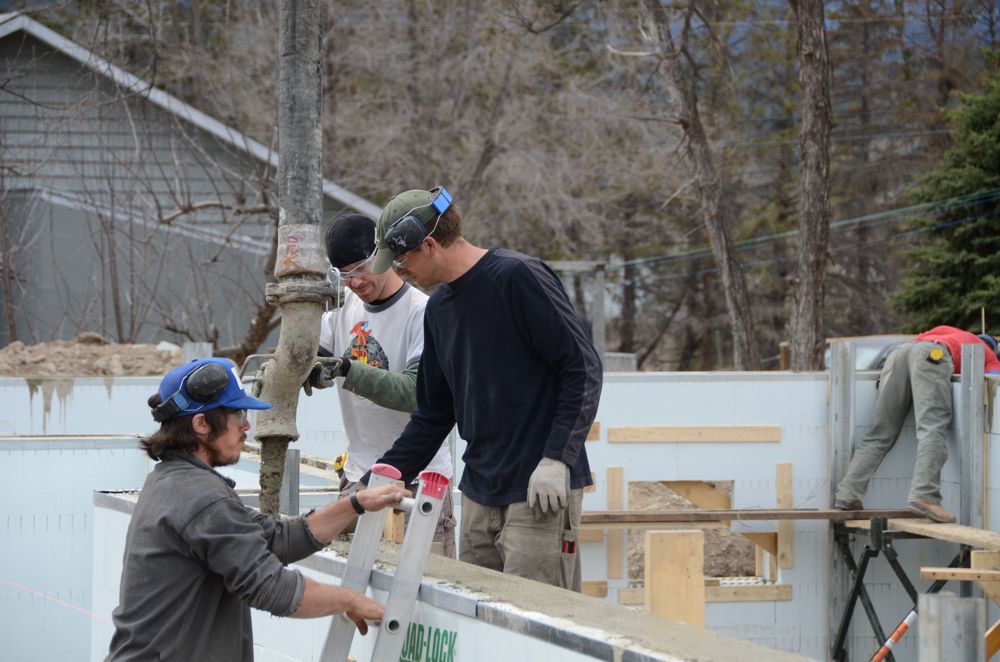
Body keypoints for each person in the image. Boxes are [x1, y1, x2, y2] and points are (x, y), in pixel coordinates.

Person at [362, 186, 602, 590]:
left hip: (536, 489)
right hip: (479, 492)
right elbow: (434, 413)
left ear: (430, 244)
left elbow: (582, 367)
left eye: (401, 261)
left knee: (534, 627)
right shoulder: (439, 310)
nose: (399, 273)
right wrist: (384, 475)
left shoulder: (517, 277)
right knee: (476, 622)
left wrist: (558, 458)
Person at [106, 357, 408, 661]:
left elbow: (276, 538)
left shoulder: (172, 482)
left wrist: (356, 504)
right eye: (236, 413)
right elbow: (272, 588)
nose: (246, 424)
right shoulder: (201, 498)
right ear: (201, 424)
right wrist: (350, 600)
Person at [306, 212, 456, 556]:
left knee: (426, 593)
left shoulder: (422, 312)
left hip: (418, 481)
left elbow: (416, 394)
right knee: (356, 596)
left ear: (383, 255)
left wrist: (347, 368)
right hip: (360, 476)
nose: (354, 282)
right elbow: (312, 359)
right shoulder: (341, 312)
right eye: (343, 275)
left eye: (360, 269)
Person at [833, 326, 1000, 523]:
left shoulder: (949, 332)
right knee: (932, 428)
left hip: (899, 354)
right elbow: (993, 380)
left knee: (879, 432)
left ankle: (847, 494)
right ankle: (925, 496)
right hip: (933, 355)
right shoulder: (989, 354)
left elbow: (920, 339)